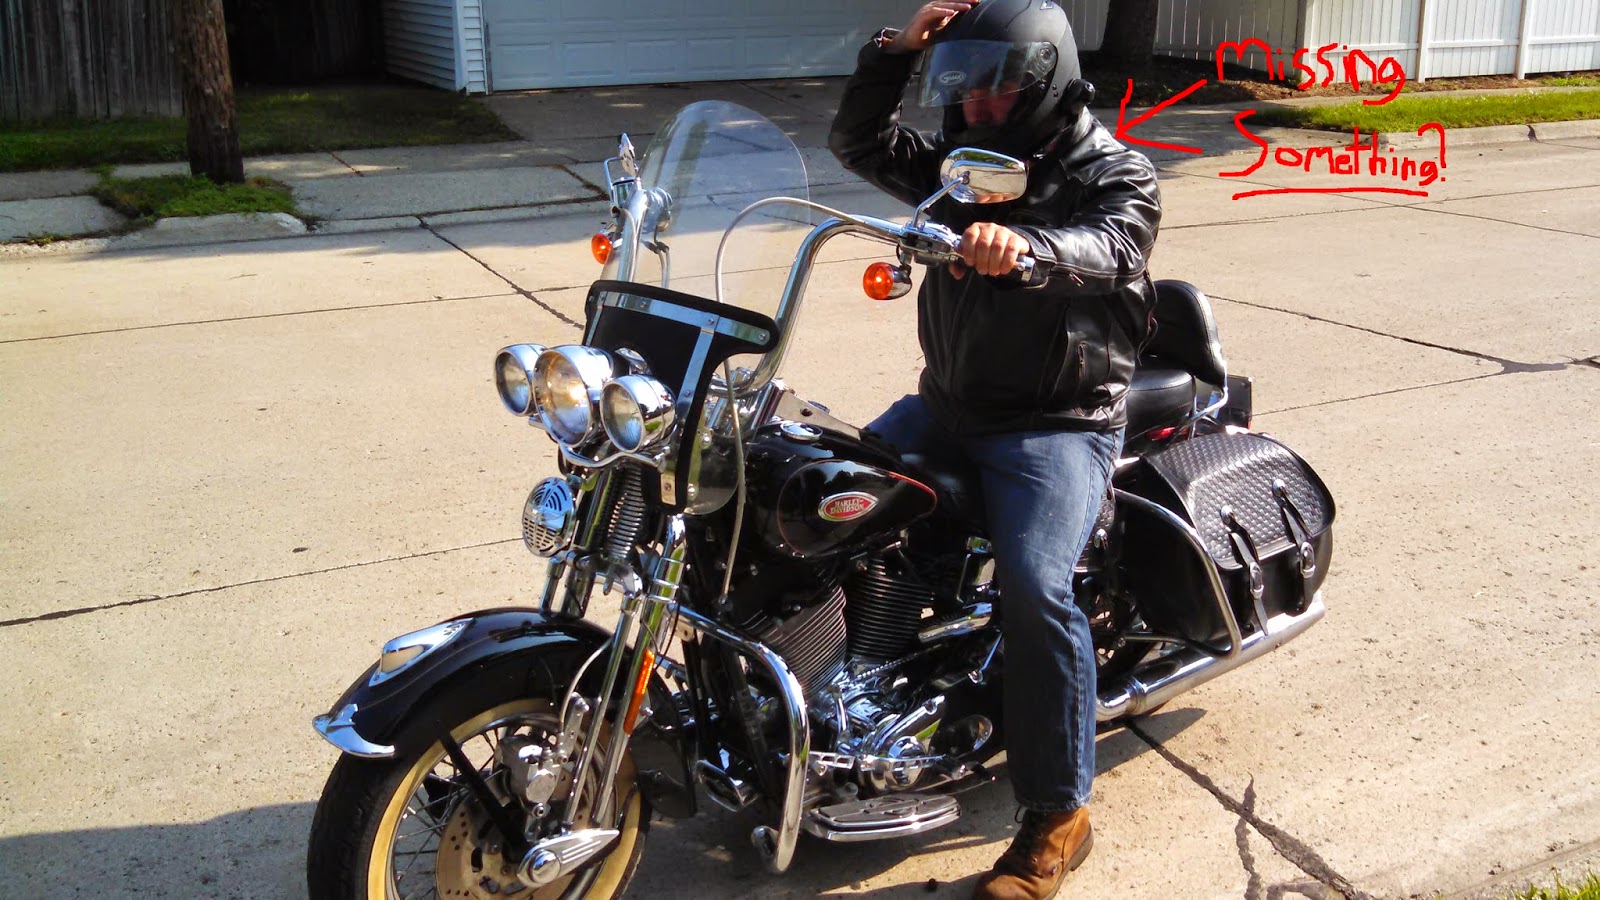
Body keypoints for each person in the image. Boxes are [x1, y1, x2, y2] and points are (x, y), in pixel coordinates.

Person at [829, 1, 1162, 897]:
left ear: (1047, 82)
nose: (975, 107)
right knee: (820, 503)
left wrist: (1025, 248)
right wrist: (896, 51)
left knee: (1036, 585)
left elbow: (1115, 245)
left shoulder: (1113, 169)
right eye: (963, 89)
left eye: (996, 90)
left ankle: (1058, 813)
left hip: (1058, 420)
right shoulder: (962, 166)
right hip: (948, 406)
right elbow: (859, 144)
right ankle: (838, 701)